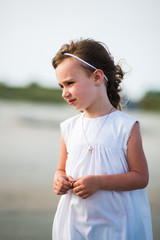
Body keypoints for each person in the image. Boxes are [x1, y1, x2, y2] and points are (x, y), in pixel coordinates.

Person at [52, 39, 153, 240]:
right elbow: (61, 168)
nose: (65, 93)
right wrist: (59, 179)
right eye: (61, 86)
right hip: (75, 223)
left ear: (97, 76)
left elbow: (141, 177)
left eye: (70, 83)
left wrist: (98, 182)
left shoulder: (125, 126)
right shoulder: (69, 127)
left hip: (118, 224)